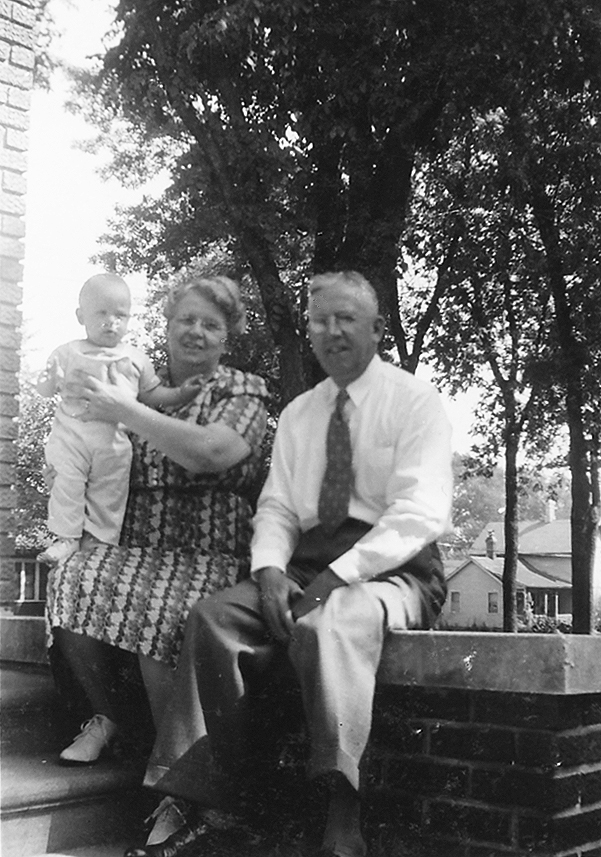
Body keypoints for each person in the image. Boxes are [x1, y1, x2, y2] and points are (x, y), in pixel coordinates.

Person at [128, 270, 453, 857]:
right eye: (320, 321)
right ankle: (216, 810)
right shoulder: (301, 413)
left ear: (378, 329)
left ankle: (342, 819)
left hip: (396, 569)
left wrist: (338, 577)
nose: (332, 332)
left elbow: (418, 515)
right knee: (213, 620)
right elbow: (277, 506)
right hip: (306, 565)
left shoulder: (414, 401)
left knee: (329, 626)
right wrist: (271, 570)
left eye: (346, 319)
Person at [45, 274, 269, 768]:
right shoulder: (133, 381)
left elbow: (211, 453)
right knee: (70, 579)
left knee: (161, 609)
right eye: (186, 319)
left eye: (211, 324)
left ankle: (179, 777)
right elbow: (90, 452)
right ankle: (108, 717)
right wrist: (63, 464)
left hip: (211, 555)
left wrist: (125, 410)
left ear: (227, 335)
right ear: (167, 326)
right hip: (136, 547)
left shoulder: (241, 389)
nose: (196, 332)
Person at [37, 272, 204, 565]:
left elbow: (152, 394)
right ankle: (66, 538)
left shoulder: (135, 358)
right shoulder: (67, 352)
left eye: (120, 315)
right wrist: (49, 378)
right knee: (65, 483)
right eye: (101, 313)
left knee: (110, 492)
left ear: (129, 318)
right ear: (80, 316)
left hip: (113, 441)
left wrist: (180, 394)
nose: (110, 321)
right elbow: (45, 390)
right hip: (70, 435)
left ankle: (99, 543)